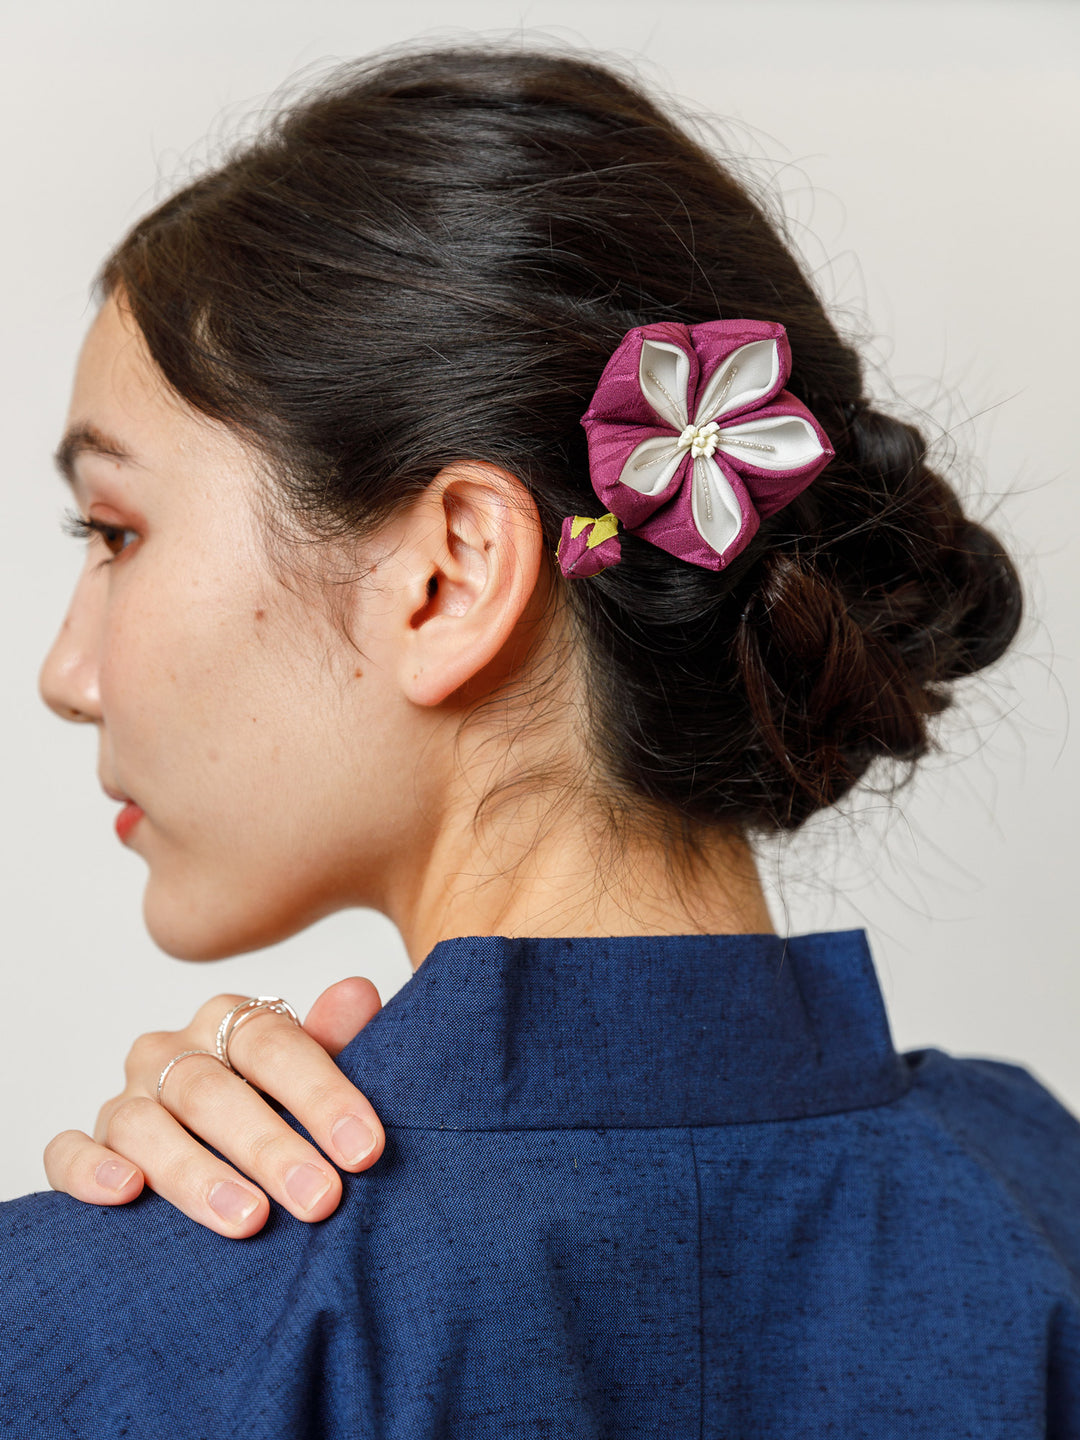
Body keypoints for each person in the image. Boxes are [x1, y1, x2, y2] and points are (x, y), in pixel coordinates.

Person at [4, 40, 1079, 1439]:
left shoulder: (99, 1331)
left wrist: (103, 1293)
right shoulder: (1042, 1208)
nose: (67, 675)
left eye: (115, 532)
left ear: (450, 573)